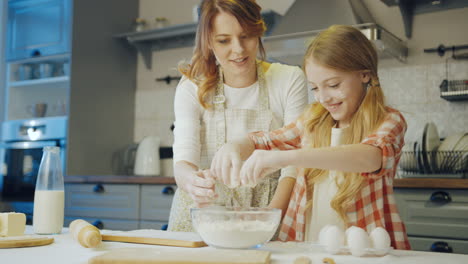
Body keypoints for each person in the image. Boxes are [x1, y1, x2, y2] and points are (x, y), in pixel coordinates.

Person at [210, 25, 411, 250]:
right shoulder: (313, 120)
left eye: (333, 85)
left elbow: (371, 157)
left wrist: (285, 159)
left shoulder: (389, 120)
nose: (323, 98)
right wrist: (236, 145)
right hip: (307, 244)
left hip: (365, 249)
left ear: (365, 74)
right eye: (315, 88)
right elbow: (266, 140)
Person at [168, 0, 308, 232]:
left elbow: (293, 163)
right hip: (205, 215)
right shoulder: (192, 87)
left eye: (247, 36)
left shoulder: (289, 80)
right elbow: (183, 162)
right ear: (209, 42)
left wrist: (266, 220)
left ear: (259, 32)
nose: (239, 49)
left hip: (271, 212)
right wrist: (194, 184)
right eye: (224, 40)